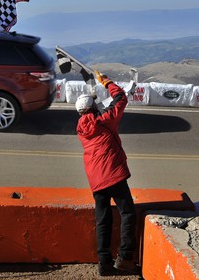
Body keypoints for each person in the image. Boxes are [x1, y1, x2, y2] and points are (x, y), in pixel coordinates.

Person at [75, 71, 139, 277]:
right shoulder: (105, 119)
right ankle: (125, 258)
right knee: (127, 212)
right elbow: (120, 97)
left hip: (95, 179)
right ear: (94, 108)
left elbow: (94, 115)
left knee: (103, 220)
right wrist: (106, 81)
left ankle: (104, 263)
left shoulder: (81, 129)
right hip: (113, 173)